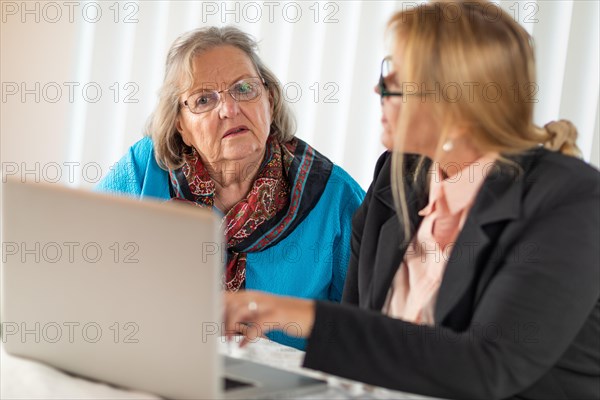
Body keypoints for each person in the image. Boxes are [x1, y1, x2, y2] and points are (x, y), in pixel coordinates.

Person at [224, 2, 600, 398]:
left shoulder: (571, 200)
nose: (378, 89)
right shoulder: (397, 175)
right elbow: (358, 342)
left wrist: (299, 314)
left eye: (396, 76)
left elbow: (489, 367)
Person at [97, 26, 365, 348]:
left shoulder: (334, 197)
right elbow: (82, 273)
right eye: (204, 99)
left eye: (244, 88)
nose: (229, 109)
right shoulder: (144, 169)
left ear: (269, 98)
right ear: (181, 125)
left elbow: (368, 331)